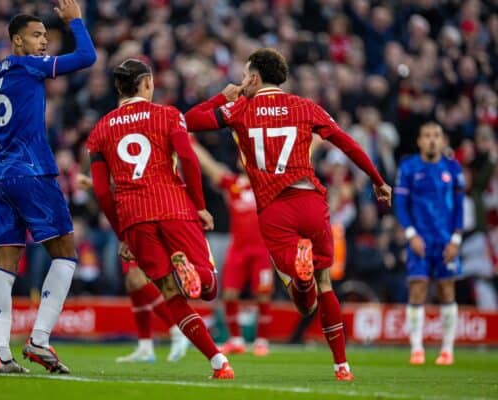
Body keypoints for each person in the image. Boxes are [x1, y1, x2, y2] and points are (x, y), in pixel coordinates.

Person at [185, 48, 392, 381]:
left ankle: (301, 277)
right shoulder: (305, 106)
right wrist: (379, 181)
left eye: (243, 76)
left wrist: (219, 97)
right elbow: (348, 144)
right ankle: (342, 367)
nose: (240, 82)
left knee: (302, 297)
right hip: (311, 200)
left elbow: (189, 121)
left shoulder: (240, 107)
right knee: (325, 287)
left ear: (253, 77)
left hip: (275, 208)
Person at [86, 58, 234, 379]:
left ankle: (219, 363)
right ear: (147, 83)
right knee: (208, 288)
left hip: (134, 218)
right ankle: (194, 273)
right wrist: (200, 204)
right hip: (174, 207)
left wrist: (122, 234)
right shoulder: (168, 114)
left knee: (170, 294)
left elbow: (100, 191)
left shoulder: (99, 130)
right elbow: (189, 160)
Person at [0, 0, 96, 374]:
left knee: (4, 264)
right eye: (36, 35)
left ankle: (1, 353)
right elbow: (87, 57)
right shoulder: (31, 66)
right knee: (65, 253)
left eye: (45, 35)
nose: (44, 42)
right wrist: (76, 22)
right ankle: (39, 340)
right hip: (32, 172)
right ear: (17, 42)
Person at [76, 174, 190, 363]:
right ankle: (145, 347)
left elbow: (138, 180)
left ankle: (177, 330)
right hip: (129, 218)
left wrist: (98, 182)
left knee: (137, 277)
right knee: (132, 282)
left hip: (144, 217)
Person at [191, 138, 273, 356]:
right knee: (229, 294)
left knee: (262, 295)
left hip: (261, 250)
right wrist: (191, 143)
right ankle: (236, 340)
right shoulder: (233, 185)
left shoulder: (267, 184)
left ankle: (262, 341)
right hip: (238, 248)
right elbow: (210, 167)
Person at [395, 122, 464, 366]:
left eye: (436, 135)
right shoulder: (409, 167)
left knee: (447, 290)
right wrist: (411, 234)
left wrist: (456, 239)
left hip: (446, 240)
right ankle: (417, 348)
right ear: (419, 141)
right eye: (427, 136)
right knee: (418, 290)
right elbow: (401, 205)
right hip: (420, 240)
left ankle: (447, 350)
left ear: (443, 140)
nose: (432, 140)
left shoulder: (453, 168)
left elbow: (459, 208)